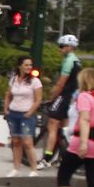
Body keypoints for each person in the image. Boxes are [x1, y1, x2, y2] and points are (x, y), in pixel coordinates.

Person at [38, 34, 83, 168]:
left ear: (70, 47)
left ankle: (47, 158)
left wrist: (52, 98)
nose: (60, 49)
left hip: (64, 96)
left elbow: (61, 84)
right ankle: (63, 156)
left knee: (52, 125)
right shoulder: (77, 60)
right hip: (72, 98)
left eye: (62, 46)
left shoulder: (68, 61)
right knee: (63, 129)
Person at [6, 56, 43, 174]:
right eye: (26, 65)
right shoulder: (13, 79)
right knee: (16, 141)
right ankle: (16, 168)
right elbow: (8, 95)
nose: (29, 67)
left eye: (30, 65)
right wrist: (5, 109)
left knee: (28, 142)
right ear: (20, 66)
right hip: (13, 112)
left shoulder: (35, 81)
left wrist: (30, 112)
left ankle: (34, 169)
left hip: (26, 114)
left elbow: (38, 99)